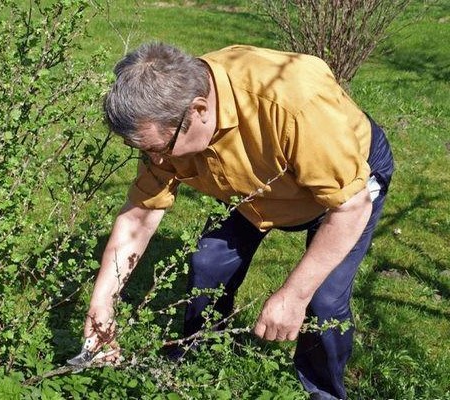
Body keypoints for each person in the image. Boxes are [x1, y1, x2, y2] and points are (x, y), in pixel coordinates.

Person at [82, 42, 394, 399]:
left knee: (323, 302)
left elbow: (350, 208)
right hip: (249, 183)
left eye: (158, 149)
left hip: (342, 186)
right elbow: (140, 215)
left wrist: (293, 295)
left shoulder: (294, 102)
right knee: (209, 263)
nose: (153, 159)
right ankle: (196, 356)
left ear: (198, 111)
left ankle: (323, 390)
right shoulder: (170, 119)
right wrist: (102, 304)